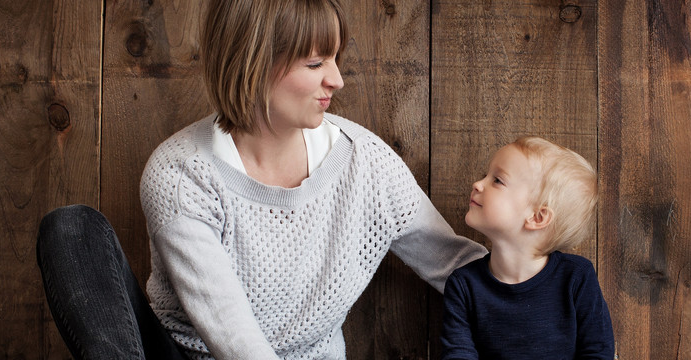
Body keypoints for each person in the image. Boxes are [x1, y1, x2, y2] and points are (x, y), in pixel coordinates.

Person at [36, 0, 487, 359]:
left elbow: (455, 266)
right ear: (254, 63)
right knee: (71, 228)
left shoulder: (365, 162)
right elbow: (230, 334)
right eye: (315, 63)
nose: (337, 79)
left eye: (335, 59)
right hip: (185, 354)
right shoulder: (180, 172)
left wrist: (554, 286)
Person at [440, 136, 614, 359]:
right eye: (486, 175)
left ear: (538, 217)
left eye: (498, 180)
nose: (478, 184)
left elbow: (597, 352)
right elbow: (458, 354)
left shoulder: (576, 277)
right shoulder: (463, 285)